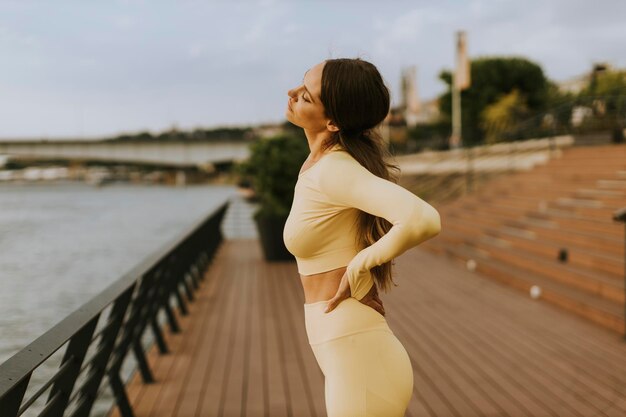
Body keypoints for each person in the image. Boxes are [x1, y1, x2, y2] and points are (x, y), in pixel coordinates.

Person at [283, 57, 441, 417]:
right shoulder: (320, 165)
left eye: (306, 96)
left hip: (360, 358)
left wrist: (360, 265)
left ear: (333, 121)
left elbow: (423, 218)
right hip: (346, 351)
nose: (292, 94)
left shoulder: (334, 170)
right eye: (300, 84)